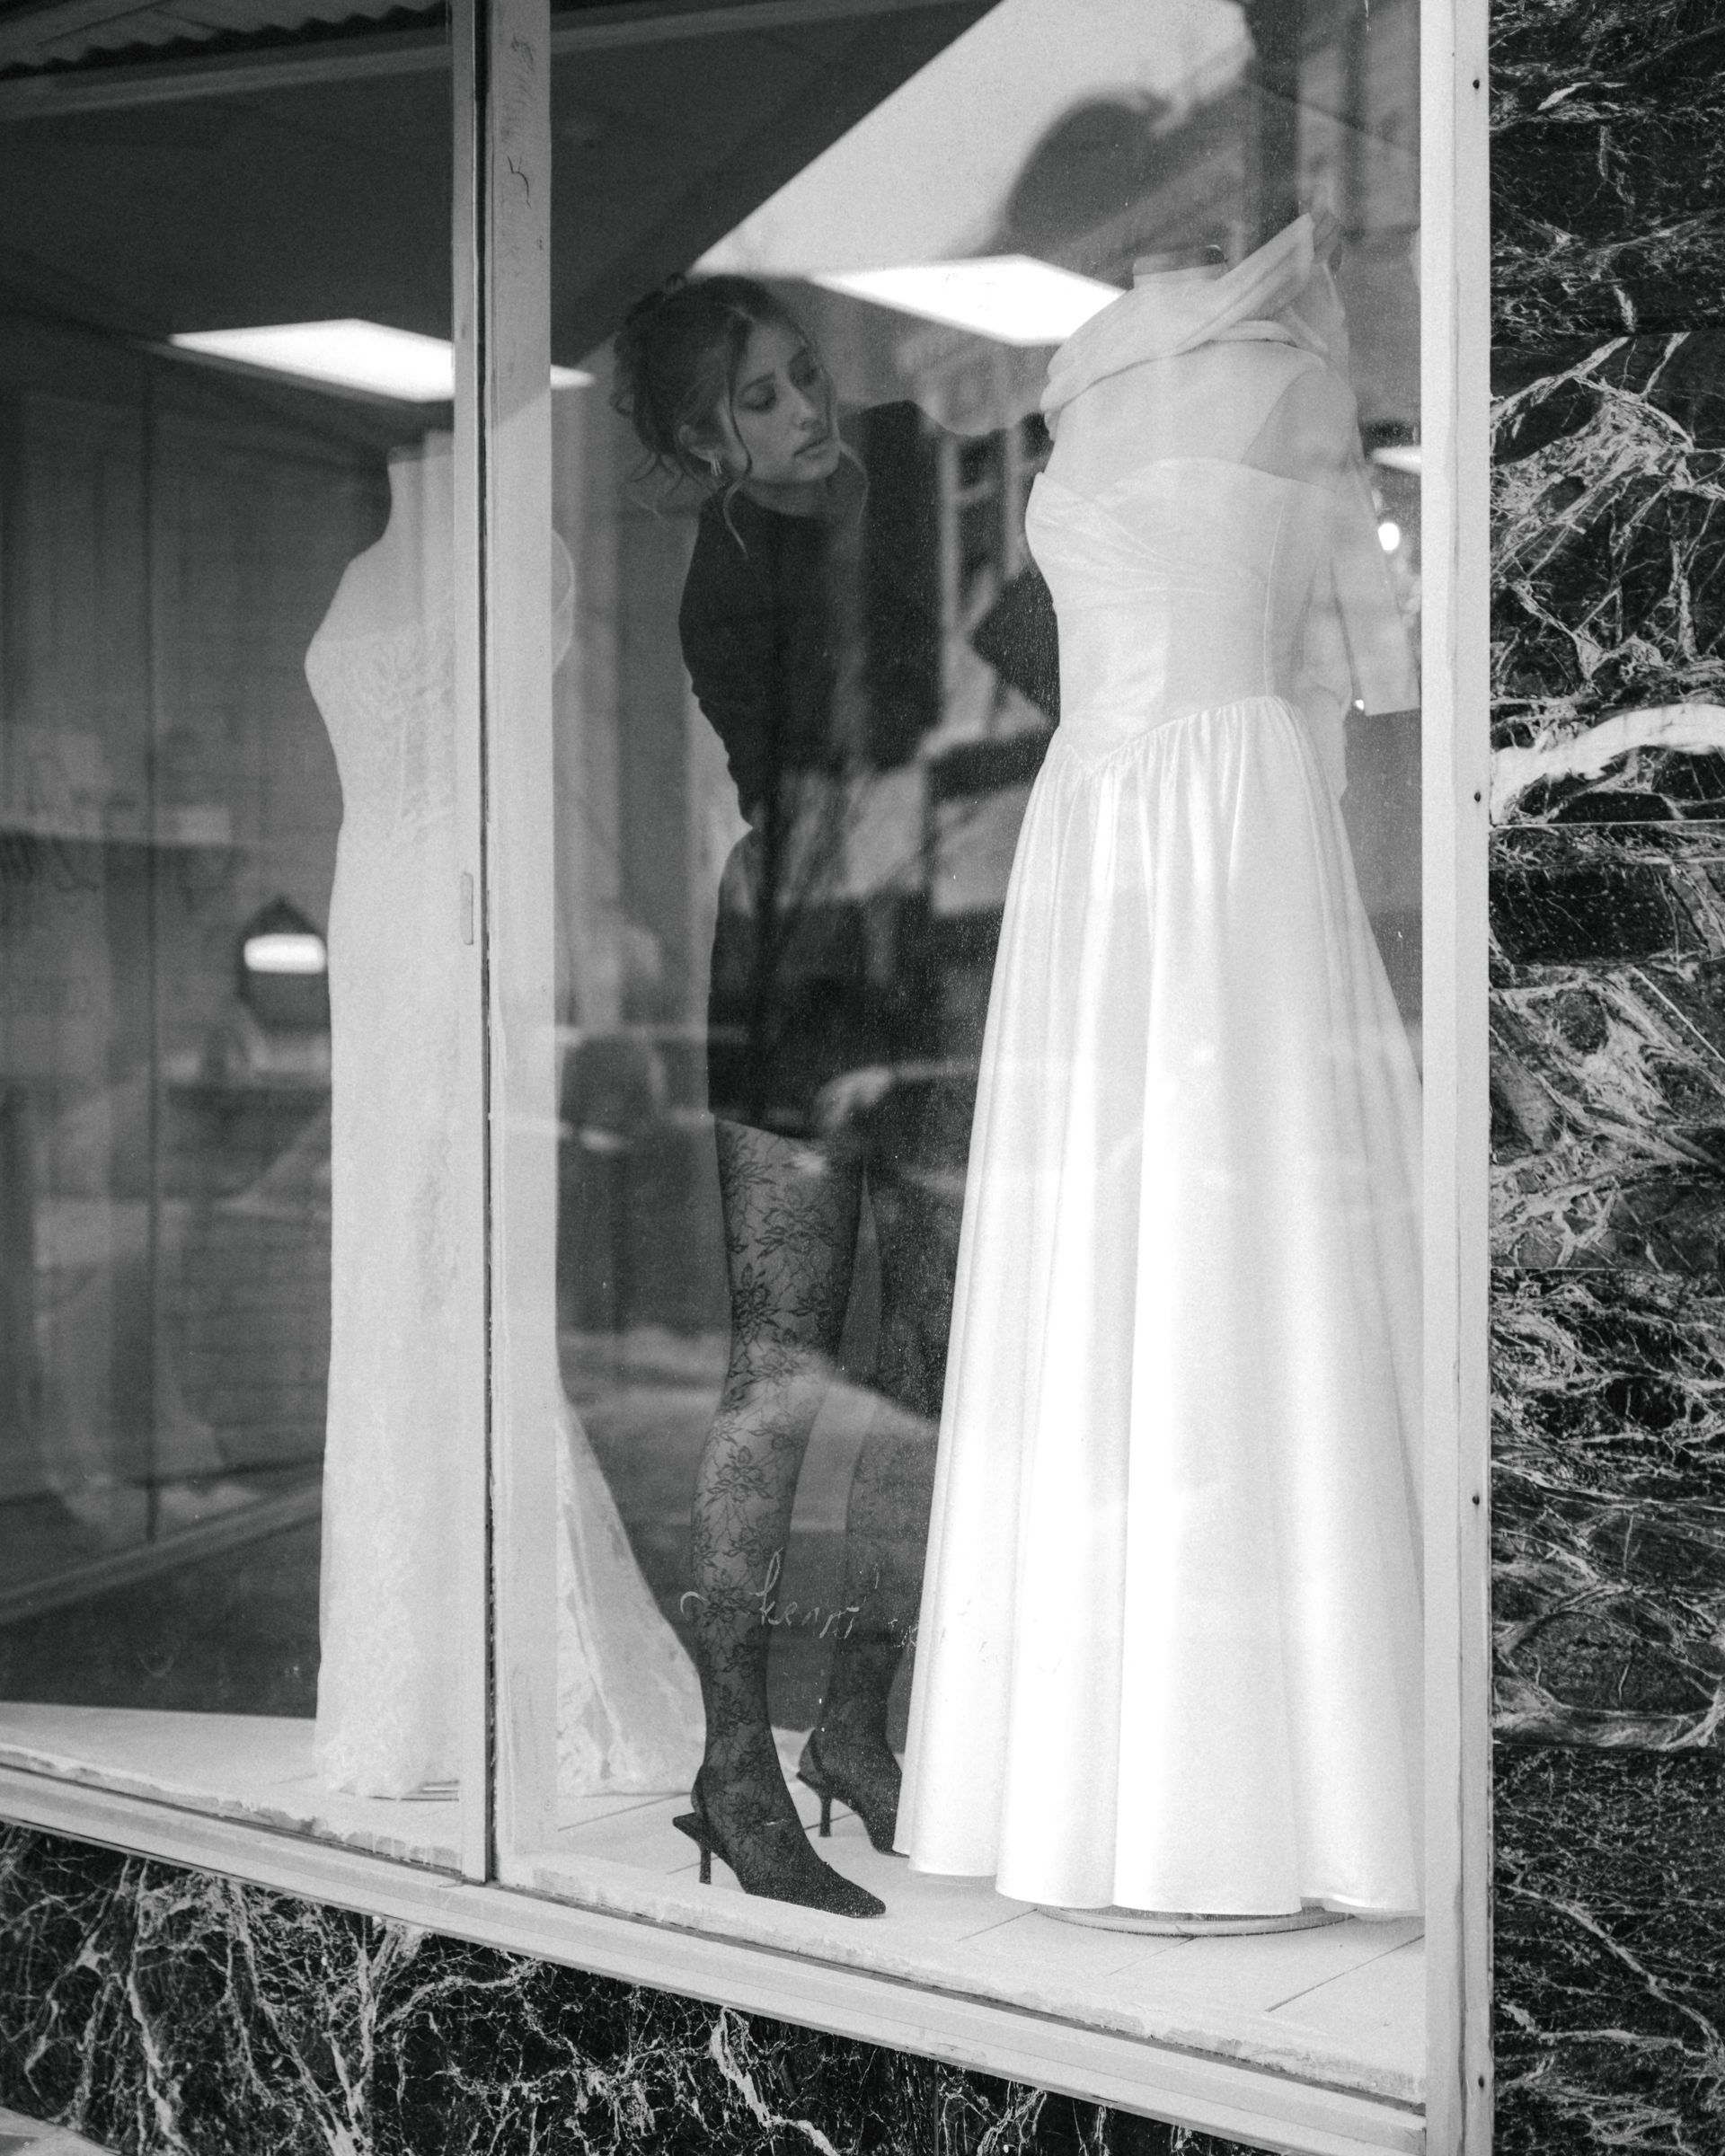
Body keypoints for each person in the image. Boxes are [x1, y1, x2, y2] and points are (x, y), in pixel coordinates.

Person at [896, 216, 1427, 1925]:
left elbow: (1363, 670)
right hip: (1114, 825)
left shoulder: (1281, 381)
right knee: (1102, 1259)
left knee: (1232, 1228)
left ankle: (1270, 1781)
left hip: (1210, 822)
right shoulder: (1093, 388)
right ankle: (1087, 1773)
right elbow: (1356, 662)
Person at [613, 275, 971, 1918]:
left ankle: (858, 1726)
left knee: (929, 1367)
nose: (805, 407)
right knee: (783, 1371)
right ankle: (733, 1767)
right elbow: (841, 774)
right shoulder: (725, 582)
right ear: (706, 439)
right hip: (806, 959)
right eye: (761, 399)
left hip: (932, 952)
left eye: (803, 375)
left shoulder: (913, 453)